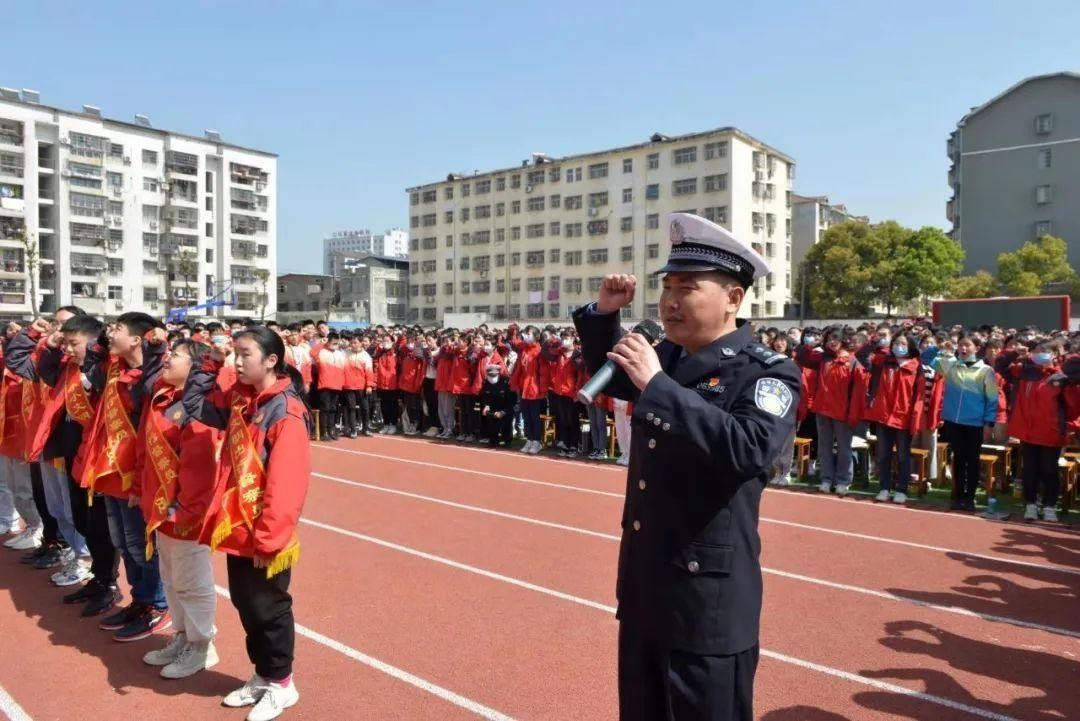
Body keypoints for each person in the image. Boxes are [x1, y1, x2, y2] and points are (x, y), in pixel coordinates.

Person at [574, 212, 800, 721]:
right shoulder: (668, 360)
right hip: (646, 589)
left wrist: (659, 388)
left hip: (706, 602)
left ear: (733, 298)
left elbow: (747, 449)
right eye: (667, 287)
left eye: (688, 288)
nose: (671, 301)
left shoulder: (767, 373)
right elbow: (612, 381)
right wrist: (605, 316)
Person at [183, 325, 311, 721]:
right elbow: (195, 404)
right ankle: (263, 674)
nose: (236, 361)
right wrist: (209, 361)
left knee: (268, 607)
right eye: (234, 353)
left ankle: (281, 683)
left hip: (264, 533)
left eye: (245, 354)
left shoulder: (286, 411)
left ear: (272, 360)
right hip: (238, 523)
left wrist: (269, 540)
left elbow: (287, 483)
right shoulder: (242, 399)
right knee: (246, 603)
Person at [136, 337, 220, 678]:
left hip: (185, 510)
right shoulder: (164, 398)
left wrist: (186, 509)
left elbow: (201, 466)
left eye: (177, 355)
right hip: (162, 507)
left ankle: (203, 646)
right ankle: (183, 637)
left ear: (195, 367)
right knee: (170, 578)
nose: (168, 359)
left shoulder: (198, 409)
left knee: (192, 581)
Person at [934, 336, 1001, 511]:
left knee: (972, 461)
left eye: (967, 345)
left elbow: (993, 399)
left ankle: (970, 497)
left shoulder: (986, 371)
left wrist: (989, 423)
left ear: (976, 348)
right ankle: (957, 496)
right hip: (954, 422)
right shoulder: (951, 366)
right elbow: (927, 361)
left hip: (975, 424)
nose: (963, 348)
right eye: (961, 345)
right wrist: (941, 349)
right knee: (957, 459)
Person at [479, 364, 514, 447]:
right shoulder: (486, 383)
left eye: (494, 375)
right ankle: (493, 440)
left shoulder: (506, 383)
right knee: (489, 419)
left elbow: (511, 401)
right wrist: (486, 406)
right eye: (490, 375)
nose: (492, 377)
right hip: (493, 409)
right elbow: (485, 397)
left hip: (505, 408)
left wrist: (503, 412)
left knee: (506, 422)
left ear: (498, 374)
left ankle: (507, 441)